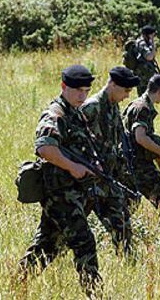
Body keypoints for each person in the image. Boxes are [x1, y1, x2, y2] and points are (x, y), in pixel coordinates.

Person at [18, 65, 102, 294]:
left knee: (47, 245)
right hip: (59, 193)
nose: (82, 96)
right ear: (64, 87)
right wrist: (73, 167)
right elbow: (44, 147)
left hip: (71, 191)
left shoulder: (76, 113)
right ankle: (95, 293)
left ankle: (18, 283)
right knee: (84, 241)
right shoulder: (56, 114)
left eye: (86, 90)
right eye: (77, 90)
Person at [80, 66, 140, 255]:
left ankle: (130, 270)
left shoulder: (114, 108)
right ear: (112, 85)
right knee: (65, 236)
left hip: (107, 181)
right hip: (87, 183)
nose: (127, 96)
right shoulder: (91, 107)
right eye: (125, 91)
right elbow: (72, 142)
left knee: (122, 229)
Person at [122, 75, 160, 224]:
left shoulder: (135, 104)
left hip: (128, 163)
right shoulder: (143, 108)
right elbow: (140, 138)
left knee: (128, 205)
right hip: (139, 165)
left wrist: (158, 159)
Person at [134, 25, 160, 97]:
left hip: (146, 74)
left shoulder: (146, 42)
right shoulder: (142, 43)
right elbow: (149, 57)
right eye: (152, 34)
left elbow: (153, 55)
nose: (153, 36)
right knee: (143, 96)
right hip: (142, 75)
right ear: (147, 34)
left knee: (149, 96)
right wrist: (152, 42)